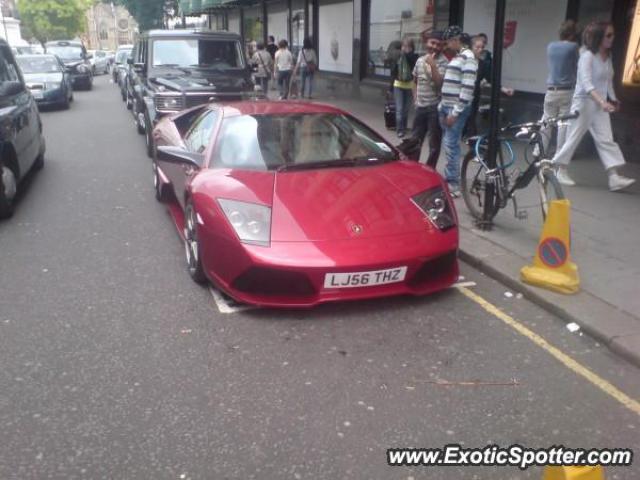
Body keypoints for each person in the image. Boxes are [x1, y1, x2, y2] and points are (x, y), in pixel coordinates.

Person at [552, 22, 635, 191]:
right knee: (574, 136)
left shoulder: (607, 57)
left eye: (612, 35)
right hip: (584, 102)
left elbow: (607, 81)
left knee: (606, 138)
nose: (612, 38)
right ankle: (558, 169)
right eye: (608, 35)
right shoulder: (587, 56)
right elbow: (587, 84)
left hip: (599, 104)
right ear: (598, 37)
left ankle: (614, 177)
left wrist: (613, 99)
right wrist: (602, 102)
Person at [438, 27, 479, 196]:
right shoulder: (459, 56)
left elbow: (468, 87)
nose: (447, 46)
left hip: (455, 108)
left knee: (451, 145)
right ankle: (451, 179)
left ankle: (453, 184)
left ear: (456, 40)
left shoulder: (468, 57)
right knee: (448, 145)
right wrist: (442, 105)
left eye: (448, 42)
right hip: (447, 106)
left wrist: (455, 112)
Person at [539, 20, 579, 155]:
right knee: (563, 123)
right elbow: (577, 66)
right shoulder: (573, 47)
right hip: (567, 90)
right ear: (573, 34)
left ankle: (539, 150)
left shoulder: (551, 46)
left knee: (546, 121)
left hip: (551, 90)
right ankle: (559, 152)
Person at [411, 31, 447, 167]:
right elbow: (414, 81)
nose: (435, 47)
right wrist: (415, 98)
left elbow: (439, 84)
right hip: (420, 107)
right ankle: (413, 168)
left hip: (435, 108)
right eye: (433, 43)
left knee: (434, 144)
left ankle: (430, 169)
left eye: (439, 44)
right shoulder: (420, 60)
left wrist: (432, 65)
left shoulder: (444, 62)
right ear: (427, 43)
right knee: (415, 141)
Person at [390, 38, 419, 138]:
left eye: (408, 46)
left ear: (412, 48)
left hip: (409, 86)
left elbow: (414, 68)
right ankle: (400, 130)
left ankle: (404, 126)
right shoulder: (398, 57)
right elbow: (393, 73)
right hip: (398, 85)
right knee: (400, 109)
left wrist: (406, 54)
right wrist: (390, 88)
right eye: (403, 46)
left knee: (406, 109)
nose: (405, 48)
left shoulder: (414, 57)